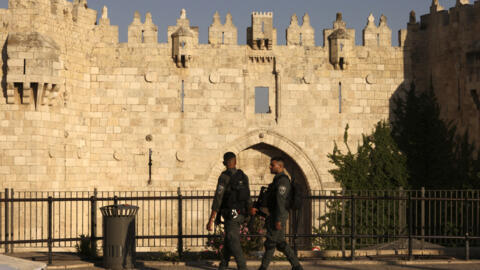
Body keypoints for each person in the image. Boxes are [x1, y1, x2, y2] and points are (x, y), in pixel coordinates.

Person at [207, 152, 254, 270]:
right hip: (241, 212)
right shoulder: (244, 176)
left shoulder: (224, 177)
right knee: (229, 237)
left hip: (231, 213)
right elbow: (248, 197)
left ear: (224, 163)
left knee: (233, 239)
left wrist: (211, 219)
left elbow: (218, 198)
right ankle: (223, 265)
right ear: (235, 162)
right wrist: (249, 211)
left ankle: (242, 267)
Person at [256, 156, 303, 270]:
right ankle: (296, 266)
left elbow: (280, 202)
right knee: (279, 242)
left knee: (271, 242)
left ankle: (264, 267)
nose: (270, 167)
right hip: (274, 215)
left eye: (273, 165)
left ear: (280, 166)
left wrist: (279, 220)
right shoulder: (277, 180)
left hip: (278, 216)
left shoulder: (282, 181)